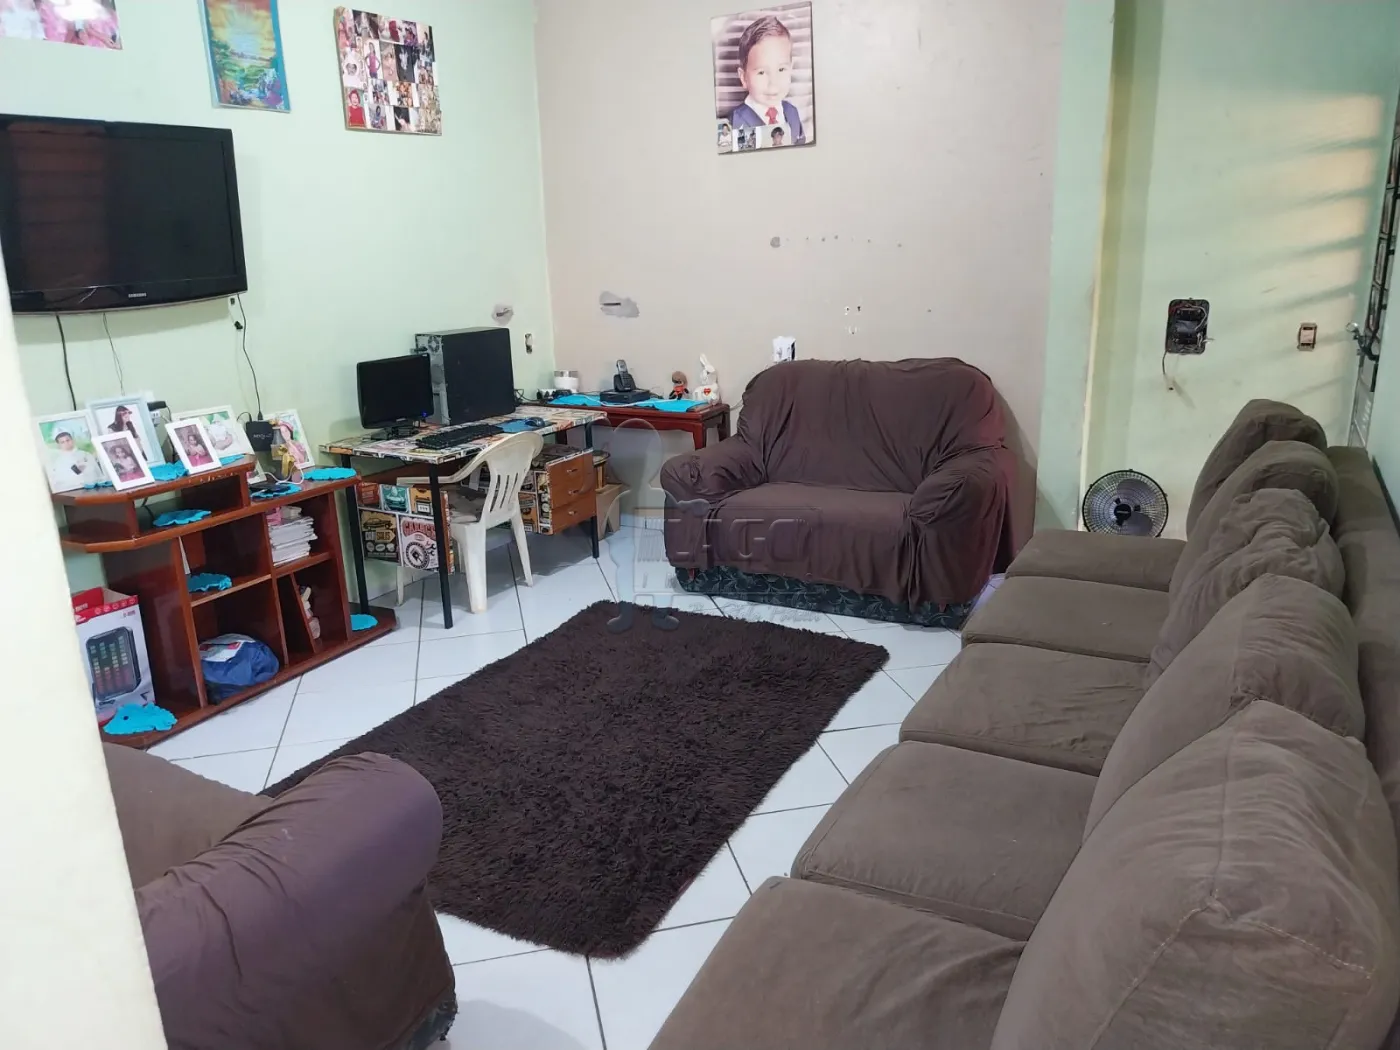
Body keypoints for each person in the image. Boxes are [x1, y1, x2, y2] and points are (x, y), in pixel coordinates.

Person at [728, 15, 805, 144]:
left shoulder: (792, 113)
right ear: (744, 78)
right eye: (761, 72)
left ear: (791, 69)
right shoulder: (734, 122)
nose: (773, 84)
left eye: (781, 69)